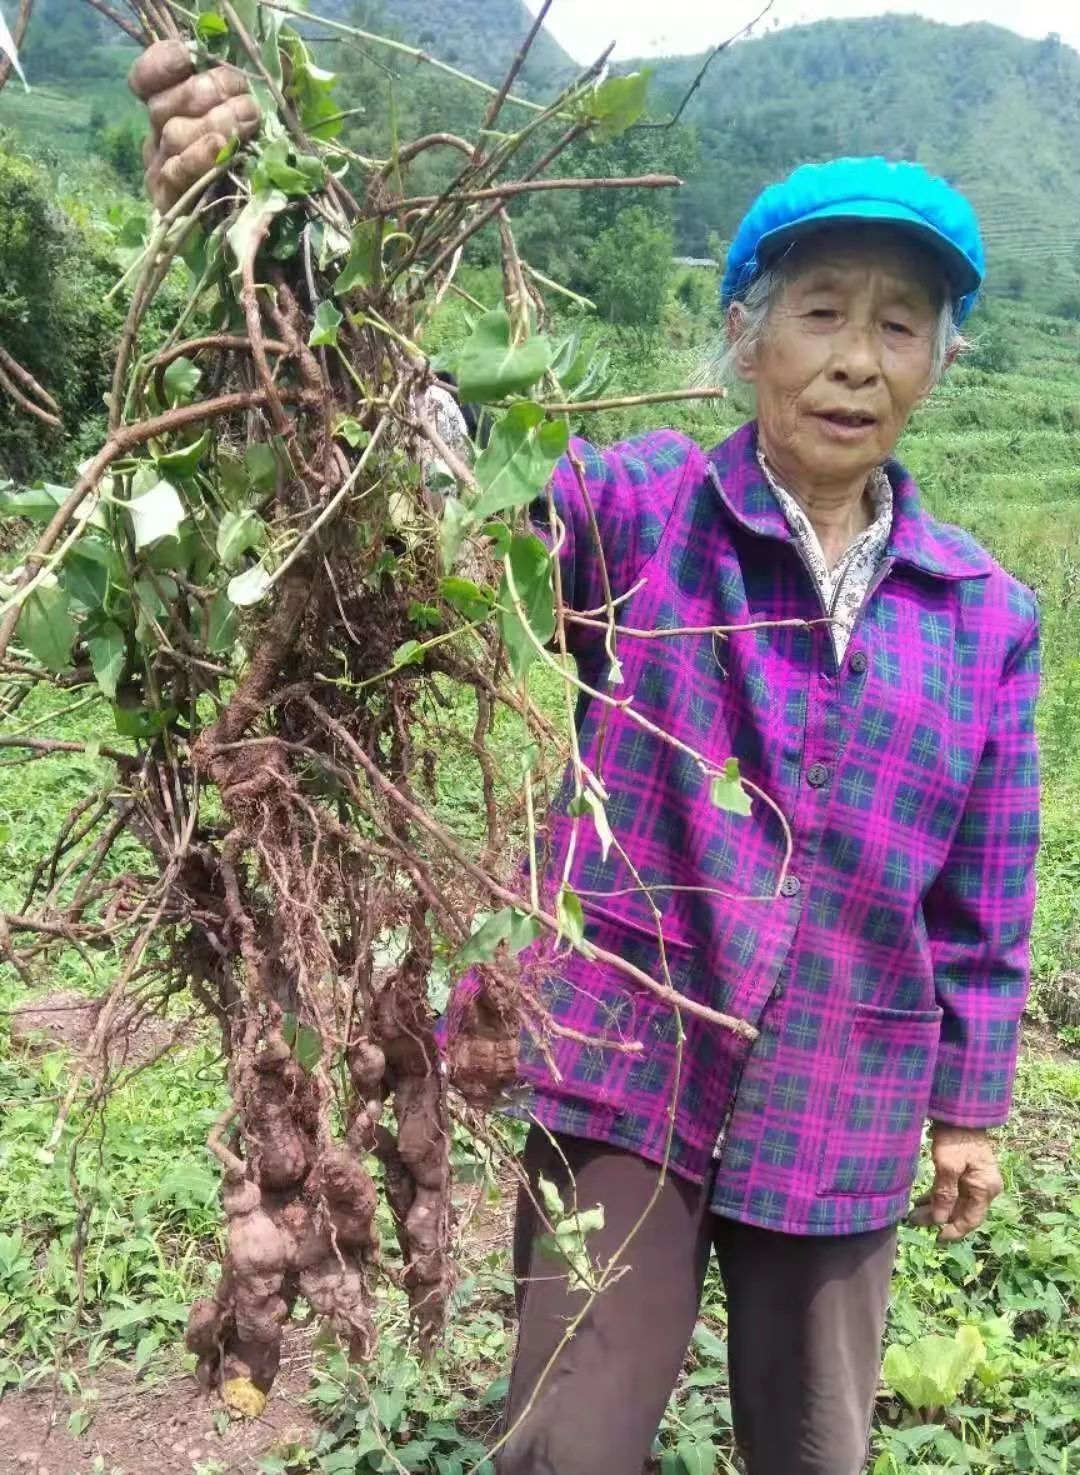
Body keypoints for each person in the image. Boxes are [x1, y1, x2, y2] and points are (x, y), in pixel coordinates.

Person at [129, 43, 1041, 1475]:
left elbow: (985, 906)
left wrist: (971, 1108)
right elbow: (435, 456)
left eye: (902, 324)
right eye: (819, 313)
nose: (858, 356)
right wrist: (275, 231)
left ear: (939, 359)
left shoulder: (986, 616)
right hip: (632, 1072)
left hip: (845, 1093)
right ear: (746, 338)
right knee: (568, 1438)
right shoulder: (644, 511)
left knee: (818, 1445)